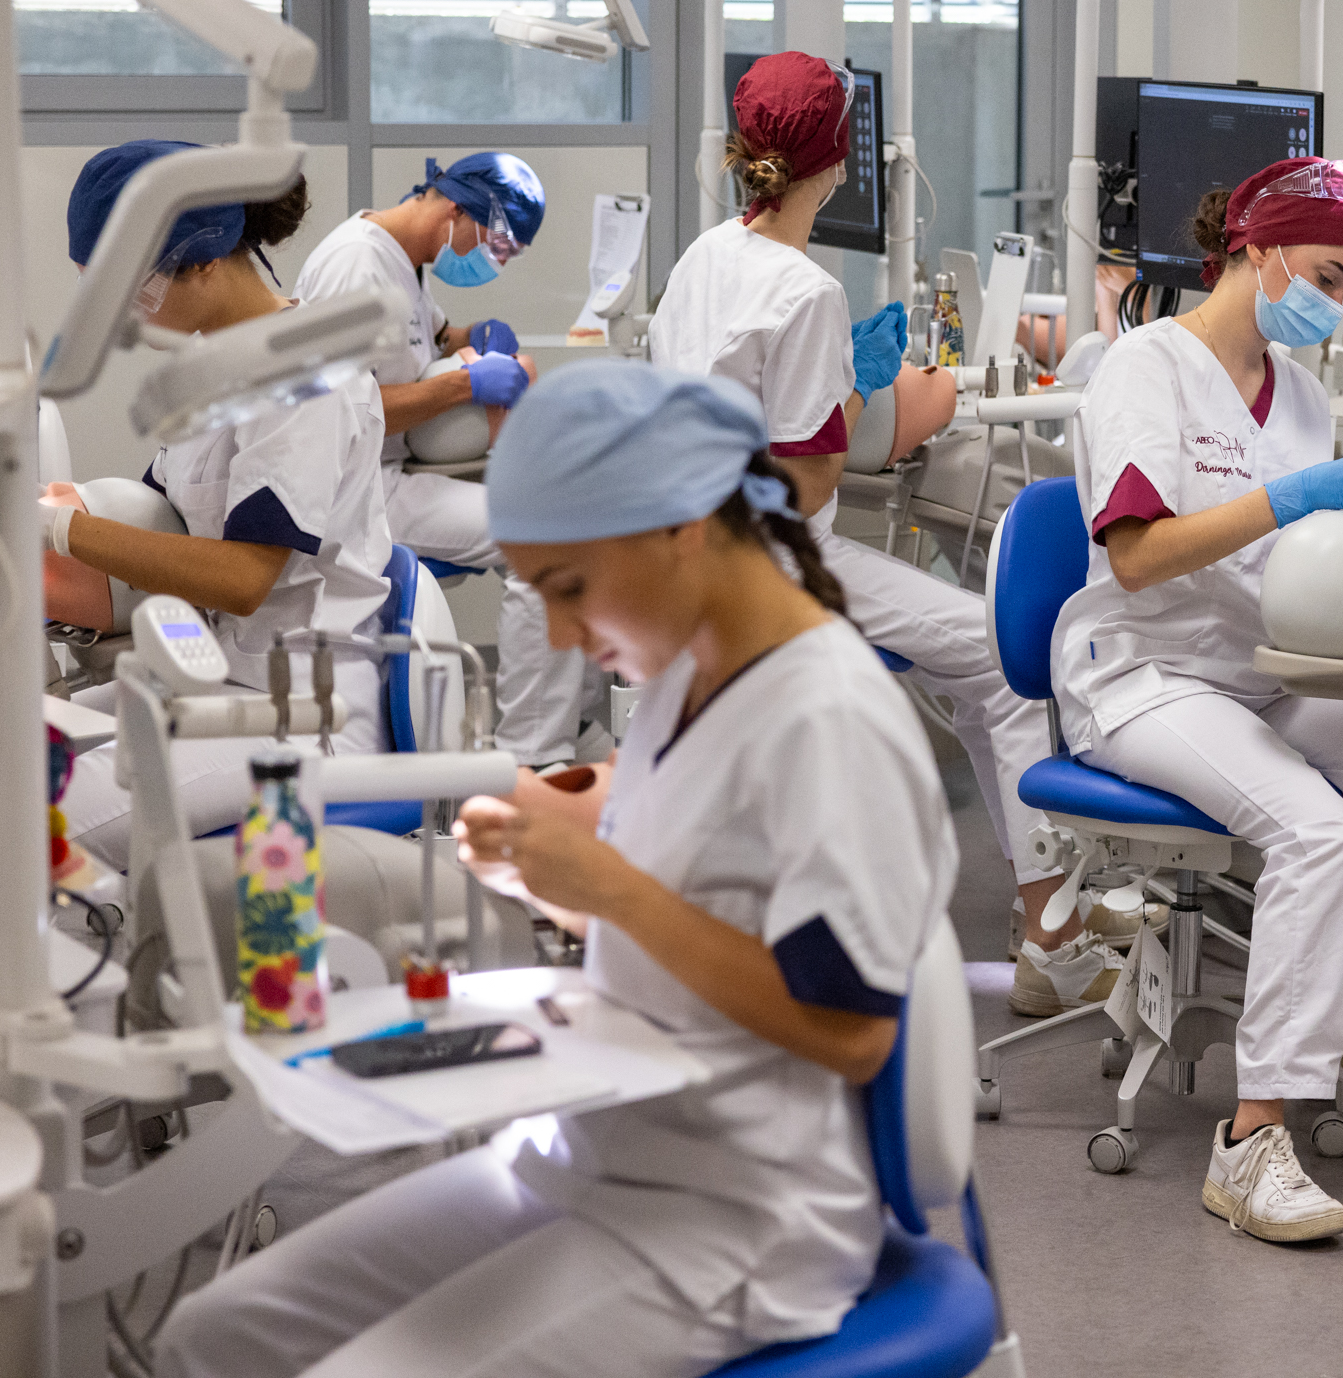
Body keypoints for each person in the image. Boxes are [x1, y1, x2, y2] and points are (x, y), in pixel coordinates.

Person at [153, 361, 956, 1378]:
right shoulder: (685, 674)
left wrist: (608, 886)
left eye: (570, 591)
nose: (567, 636)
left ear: (680, 527)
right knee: (215, 1339)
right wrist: (557, 871)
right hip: (590, 1155)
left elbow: (848, 1031)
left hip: (734, 1215)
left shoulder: (825, 714)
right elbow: (701, 899)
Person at [1057, 157, 1343, 1244]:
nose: (1330, 300)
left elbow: (1295, 572)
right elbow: (1135, 557)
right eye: (1323, 270)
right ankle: (1249, 1140)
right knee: (1321, 834)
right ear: (1256, 251)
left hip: (1259, 675)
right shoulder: (1147, 366)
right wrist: (1289, 498)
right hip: (1142, 676)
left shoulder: (1305, 395)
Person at [651, 52, 1115, 1019]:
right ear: (835, 166)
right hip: (773, 561)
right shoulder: (805, 290)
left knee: (967, 659)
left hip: (685, 544)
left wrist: (845, 388)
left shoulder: (704, 257)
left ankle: (1052, 924)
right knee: (999, 662)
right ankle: (1055, 939)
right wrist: (865, 390)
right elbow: (812, 477)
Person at [45, 143, 394, 865]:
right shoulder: (215, 372)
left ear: (204, 262)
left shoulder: (305, 375)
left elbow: (241, 579)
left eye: (131, 289)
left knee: (19, 817)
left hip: (295, 713)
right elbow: (163, 526)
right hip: (211, 679)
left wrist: (62, 530)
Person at [292, 152, 599, 769]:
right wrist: (464, 387)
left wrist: (477, 338)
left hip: (391, 474)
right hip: (353, 492)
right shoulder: (357, 262)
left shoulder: (406, 259)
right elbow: (340, 410)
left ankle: (575, 721)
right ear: (456, 208)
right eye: (496, 244)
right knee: (550, 539)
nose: (493, 261)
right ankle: (534, 754)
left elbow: (431, 338)